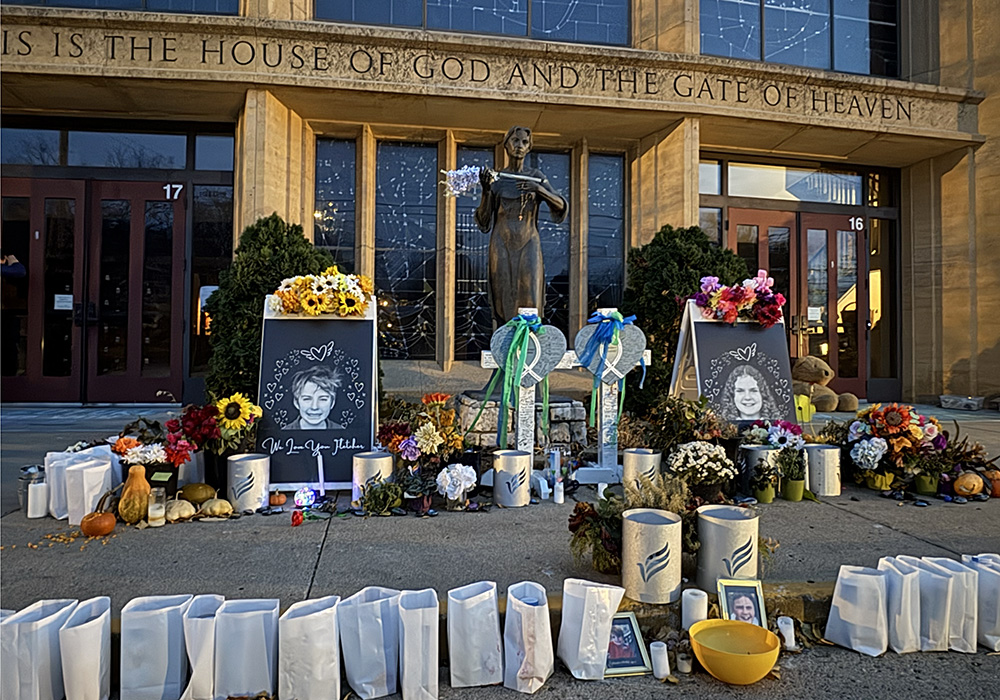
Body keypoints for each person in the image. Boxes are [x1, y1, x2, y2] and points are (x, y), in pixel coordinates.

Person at [475, 125, 568, 328]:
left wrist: (539, 189)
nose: (519, 146)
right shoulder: (497, 179)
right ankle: (504, 345)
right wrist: (486, 191)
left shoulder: (536, 176)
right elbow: (483, 221)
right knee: (502, 296)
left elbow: (560, 204)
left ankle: (530, 343)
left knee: (531, 294)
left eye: (524, 142)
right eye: (515, 141)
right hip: (501, 242)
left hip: (528, 242)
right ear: (506, 145)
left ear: (529, 148)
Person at [282, 365, 345, 430]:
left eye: (323, 399)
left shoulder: (344, 434)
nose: (314, 407)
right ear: (296, 402)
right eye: (307, 399)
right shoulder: (282, 436)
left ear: (332, 403)